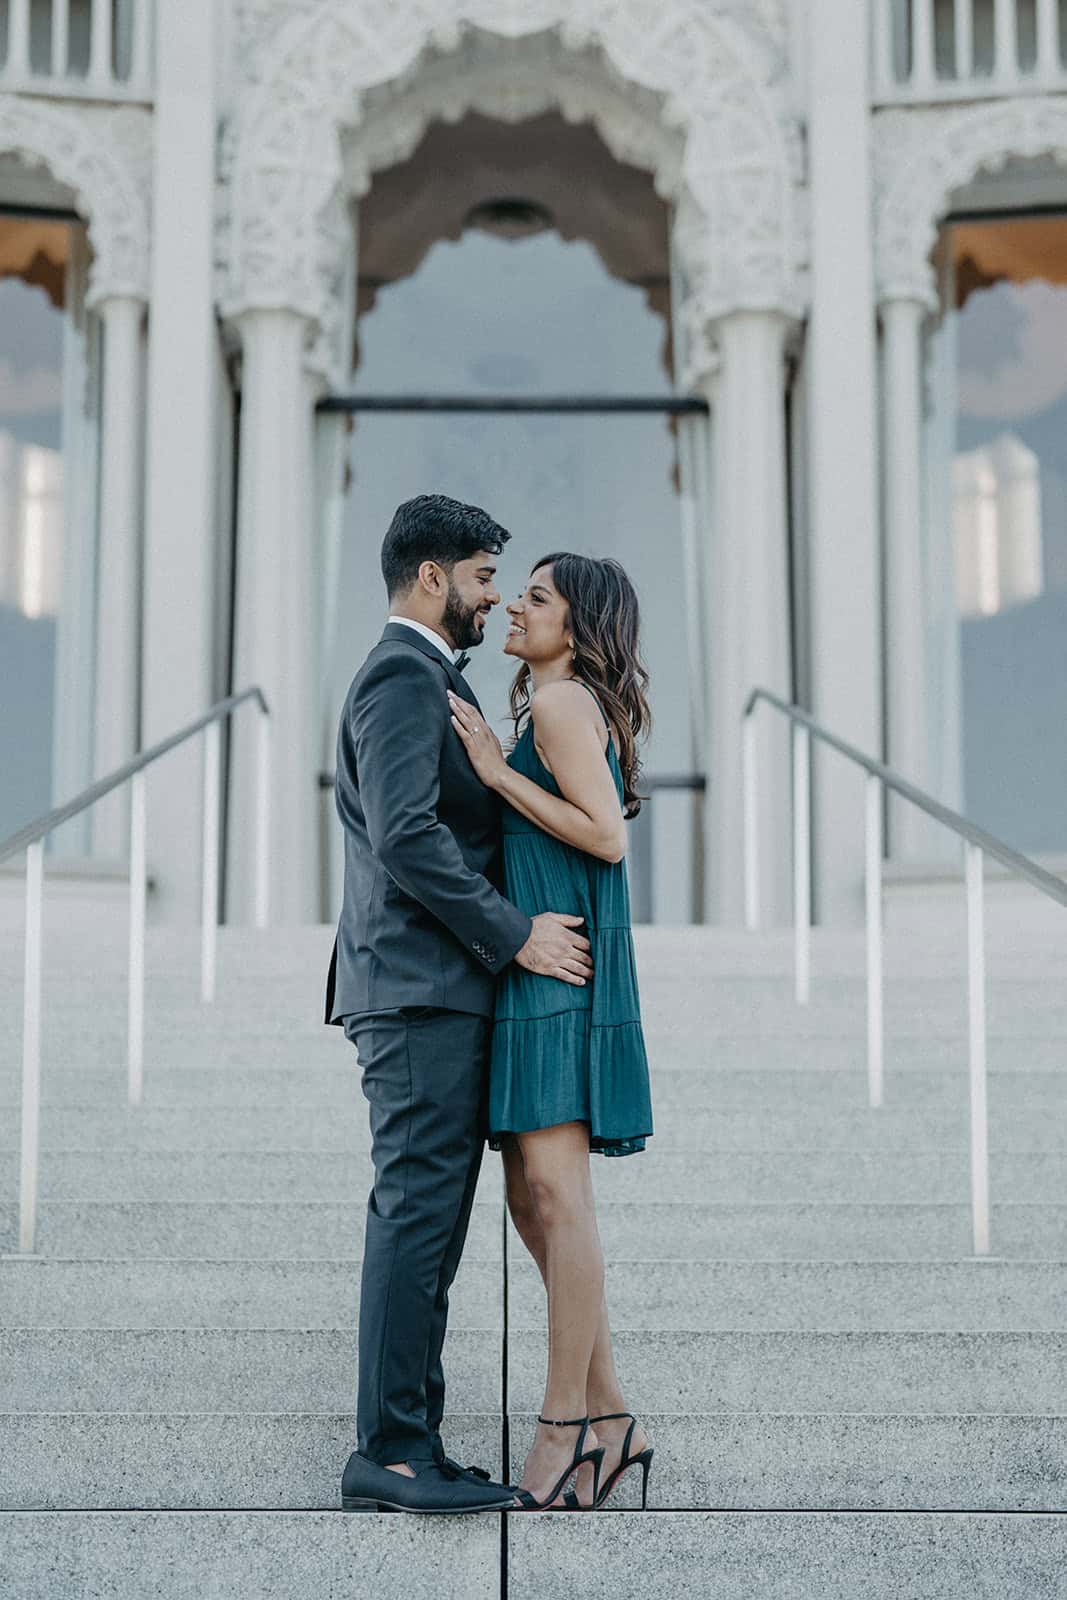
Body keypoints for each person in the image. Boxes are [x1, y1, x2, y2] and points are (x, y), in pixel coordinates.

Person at [325, 495, 594, 1516]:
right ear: (433, 577)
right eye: (484, 577)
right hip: (417, 988)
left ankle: (413, 1445)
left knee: (431, 1224)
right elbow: (405, 835)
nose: (490, 597)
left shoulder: (426, 678)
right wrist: (513, 930)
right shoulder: (401, 674)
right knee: (416, 1214)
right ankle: (390, 1454)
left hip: (432, 988)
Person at [448, 551, 656, 1513]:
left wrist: (495, 770)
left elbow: (607, 834)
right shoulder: (549, 705)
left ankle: (563, 1424)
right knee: (535, 1203)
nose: (515, 610)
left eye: (536, 598)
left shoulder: (564, 705)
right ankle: (611, 1415)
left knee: (555, 1199)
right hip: (539, 959)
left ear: (576, 626)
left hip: (559, 959)